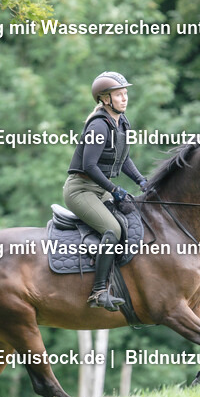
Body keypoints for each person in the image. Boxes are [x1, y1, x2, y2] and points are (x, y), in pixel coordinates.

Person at [64, 71, 148, 311]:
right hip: (81, 190)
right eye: (119, 94)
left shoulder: (121, 122)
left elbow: (124, 159)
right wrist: (115, 189)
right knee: (112, 228)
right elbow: (89, 166)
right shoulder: (99, 126)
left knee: (131, 219)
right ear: (104, 99)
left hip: (100, 189)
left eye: (125, 93)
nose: (125, 98)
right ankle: (98, 292)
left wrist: (142, 181)